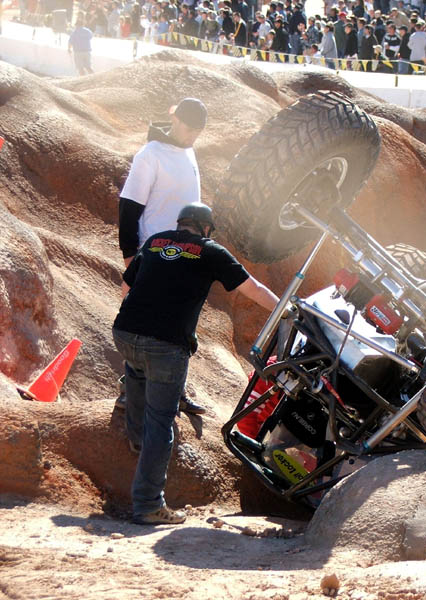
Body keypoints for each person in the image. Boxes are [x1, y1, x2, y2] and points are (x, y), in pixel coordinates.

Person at [113, 203, 279, 525]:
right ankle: (148, 504)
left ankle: (135, 439)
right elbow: (253, 289)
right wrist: (288, 309)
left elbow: (126, 287)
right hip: (166, 344)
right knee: (161, 422)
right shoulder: (211, 251)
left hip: (125, 332)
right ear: (205, 228)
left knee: (136, 371)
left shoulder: (156, 241)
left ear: (181, 224)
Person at [118, 98, 209, 415]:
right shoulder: (150, 155)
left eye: (197, 132)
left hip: (185, 259)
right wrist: (132, 260)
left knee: (181, 328)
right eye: (189, 129)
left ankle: (175, 392)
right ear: (175, 118)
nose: (191, 136)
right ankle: (128, 395)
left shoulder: (189, 151)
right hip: (153, 256)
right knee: (143, 326)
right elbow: (128, 209)